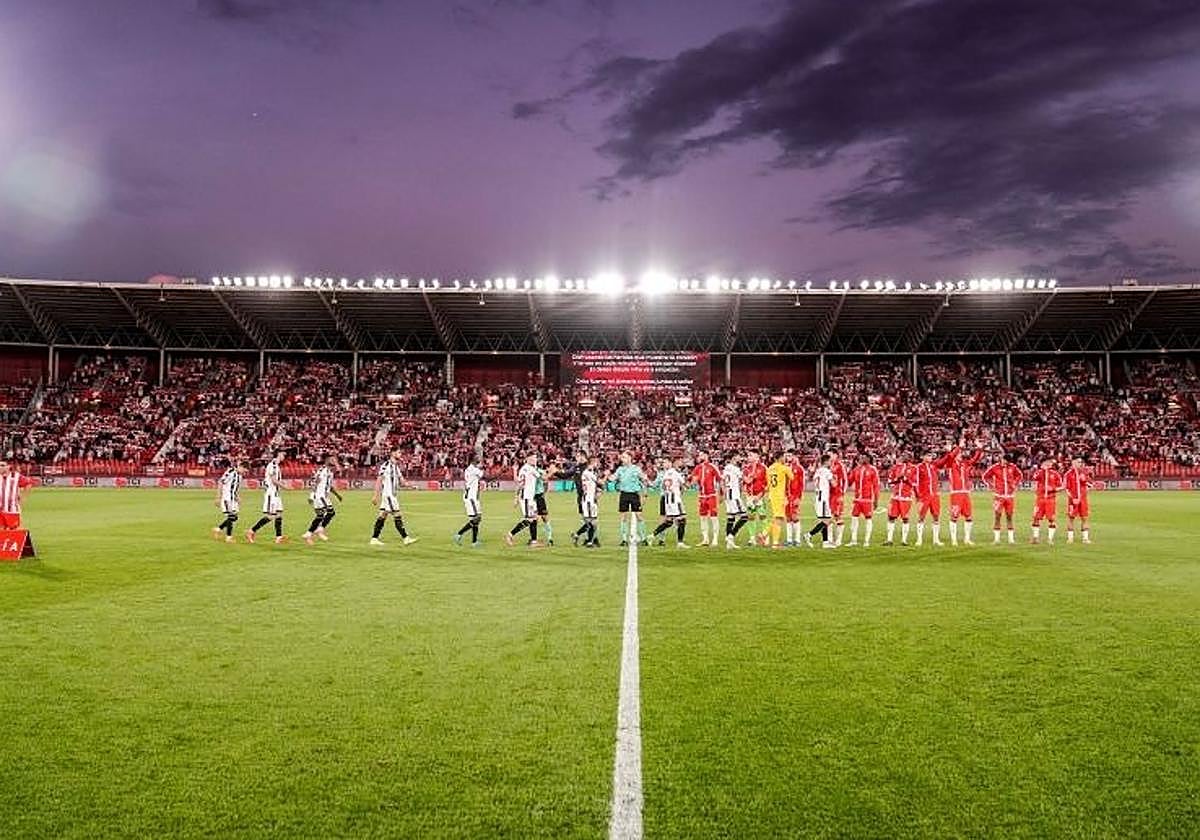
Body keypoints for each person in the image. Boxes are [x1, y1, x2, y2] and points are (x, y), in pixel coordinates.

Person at [371, 448, 417, 546]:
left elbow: (402, 482)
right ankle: (406, 538)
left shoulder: (396, 467)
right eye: (399, 452)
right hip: (389, 495)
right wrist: (375, 495)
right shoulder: (386, 466)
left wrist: (411, 486)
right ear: (393, 453)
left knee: (382, 515)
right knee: (397, 515)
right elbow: (379, 480)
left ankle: (374, 538)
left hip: (391, 495)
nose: (400, 454)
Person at [944, 444, 983, 546]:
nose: (960, 454)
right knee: (954, 517)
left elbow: (975, 459)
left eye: (960, 453)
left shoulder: (965, 464)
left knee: (969, 517)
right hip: (956, 493)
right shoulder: (950, 464)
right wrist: (958, 447)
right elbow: (949, 457)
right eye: (958, 453)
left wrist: (979, 448)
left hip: (966, 493)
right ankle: (954, 540)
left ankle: (967, 538)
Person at [982, 452, 1023, 544]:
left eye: (1008, 461)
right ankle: (996, 539)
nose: (1006, 462)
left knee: (1009, 517)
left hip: (1010, 496)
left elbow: (1020, 475)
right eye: (1005, 460)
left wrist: (1015, 484)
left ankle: (1011, 539)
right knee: (997, 516)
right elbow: (985, 476)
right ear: (1002, 459)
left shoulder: (1012, 467)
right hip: (998, 496)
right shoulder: (995, 467)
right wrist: (991, 485)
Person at [609, 450, 648, 547]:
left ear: (630, 458)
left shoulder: (636, 469)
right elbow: (612, 479)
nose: (623, 459)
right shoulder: (620, 469)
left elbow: (644, 480)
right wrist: (608, 473)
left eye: (625, 457)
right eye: (622, 457)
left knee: (639, 516)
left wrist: (645, 493)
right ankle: (624, 539)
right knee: (623, 517)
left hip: (634, 495)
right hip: (624, 495)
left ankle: (643, 538)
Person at [247, 451, 286, 544]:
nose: (284, 456)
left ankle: (279, 537)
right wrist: (284, 486)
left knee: (279, 515)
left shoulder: (276, 466)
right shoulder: (272, 465)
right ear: (278, 455)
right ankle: (251, 531)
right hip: (271, 494)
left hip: (276, 494)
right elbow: (273, 480)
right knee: (270, 516)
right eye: (282, 454)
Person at [914, 449, 952, 547]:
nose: (929, 457)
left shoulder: (934, 465)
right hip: (924, 496)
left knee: (936, 516)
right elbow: (915, 483)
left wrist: (948, 452)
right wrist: (918, 497)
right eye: (927, 455)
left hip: (935, 495)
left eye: (930, 456)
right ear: (922, 457)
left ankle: (936, 539)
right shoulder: (918, 467)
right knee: (921, 517)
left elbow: (944, 460)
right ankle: (919, 540)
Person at [302, 456, 342, 545]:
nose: (334, 461)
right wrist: (311, 495)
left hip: (324, 496)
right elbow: (316, 482)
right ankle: (318, 530)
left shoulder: (330, 472)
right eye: (332, 459)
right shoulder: (322, 470)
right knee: (329, 513)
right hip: (320, 496)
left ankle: (309, 533)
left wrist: (337, 495)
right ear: (327, 461)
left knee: (320, 516)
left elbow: (330, 486)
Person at [651, 458, 689, 548]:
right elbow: (684, 485)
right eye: (664, 462)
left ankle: (652, 536)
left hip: (667, 500)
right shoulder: (675, 473)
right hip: (675, 500)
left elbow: (663, 487)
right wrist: (683, 490)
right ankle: (680, 542)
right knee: (682, 520)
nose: (664, 464)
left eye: (665, 462)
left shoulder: (665, 475)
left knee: (669, 521)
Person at [506, 453, 542, 547]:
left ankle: (534, 541)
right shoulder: (528, 469)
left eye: (536, 458)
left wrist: (516, 497)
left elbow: (519, 483)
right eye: (534, 458)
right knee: (529, 519)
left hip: (530, 497)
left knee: (535, 518)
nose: (535, 460)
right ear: (528, 459)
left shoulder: (526, 468)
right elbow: (542, 477)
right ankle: (510, 534)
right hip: (526, 498)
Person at [883, 453, 918, 546]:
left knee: (905, 518)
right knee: (891, 517)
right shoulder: (896, 467)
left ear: (910, 458)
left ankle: (904, 540)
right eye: (902, 455)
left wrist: (906, 479)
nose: (903, 457)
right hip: (895, 496)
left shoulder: (914, 468)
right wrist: (897, 478)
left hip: (906, 497)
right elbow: (890, 481)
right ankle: (889, 540)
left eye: (906, 456)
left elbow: (915, 483)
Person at [688, 451, 722, 547]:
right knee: (703, 518)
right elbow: (693, 481)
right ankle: (705, 539)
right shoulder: (698, 468)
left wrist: (722, 494)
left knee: (714, 517)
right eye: (699, 455)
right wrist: (692, 480)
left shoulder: (712, 467)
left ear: (706, 456)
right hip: (702, 496)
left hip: (712, 495)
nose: (699, 457)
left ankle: (715, 539)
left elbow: (720, 480)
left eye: (701, 455)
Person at [846, 453, 880, 547]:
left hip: (867, 499)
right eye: (861, 457)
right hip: (857, 499)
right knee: (854, 518)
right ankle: (853, 540)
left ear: (868, 459)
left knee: (868, 519)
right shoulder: (856, 469)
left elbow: (876, 486)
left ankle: (866, 541)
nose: (861, 458)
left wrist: (876, 500)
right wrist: (849, 470)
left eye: (864, 457)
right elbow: (849, 482)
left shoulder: (873, 470)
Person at [806, 453, 835, 548]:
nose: (831, 463)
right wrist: (835, 477)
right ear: (826, 462)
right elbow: (834, 484)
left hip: (818, 497)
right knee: (827, 520)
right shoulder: (827, 471)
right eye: (830, 461)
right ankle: (809, 535)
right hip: (823, 498)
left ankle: (825, 542)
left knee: (825, 519)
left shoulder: (818, 471)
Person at [1031, 457, 1063, 544]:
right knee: (1036, 518)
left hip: (1050, 499)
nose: (1048, 464)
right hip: (1040, 499)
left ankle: (1050, 539)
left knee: (1051, 519)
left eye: (1049, 463)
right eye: (1046, 463)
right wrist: (1042, 471)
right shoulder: (1039, 472)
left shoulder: (1055, 474)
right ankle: (1035, 538)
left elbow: (1061, 487)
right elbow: (1034, 479)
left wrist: (1052, 489)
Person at [765, 452, 793, 549]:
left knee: (777, 517)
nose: (785, 459)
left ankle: (771, 540)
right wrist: (788, 466)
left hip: (772, 495)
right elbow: (792, 477)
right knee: (779, 518)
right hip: (779, 495)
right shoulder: (783, 467)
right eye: (784, 457)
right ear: (780, 458)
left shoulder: (769, 468)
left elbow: (768, 484)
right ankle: (767, 537)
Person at [454, 456, 484, 546]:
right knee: (476, 518)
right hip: (472, 498)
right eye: (478, 459)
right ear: (474, 461)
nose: (480, 461)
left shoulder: (469, 469)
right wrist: (501, 472)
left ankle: (474, 541)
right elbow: (485, 476)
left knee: (476, 519)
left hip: (472, 497)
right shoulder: (474, 469)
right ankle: (459, 534)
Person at [721, 454, 749, 549]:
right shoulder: (736, 469)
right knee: (744, 517)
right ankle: (731, 536)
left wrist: (724, 493)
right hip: (735, 495)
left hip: (728, 496)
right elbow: (746, 481)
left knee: (731, 518)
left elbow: (722, 481)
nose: (740, 458)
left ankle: (729, 543)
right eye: (738, 456)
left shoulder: (726, 468)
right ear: (734, 458)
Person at [1063, 456, 1093, 544]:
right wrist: (1073, 498)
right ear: (1073, 462)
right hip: (1073, 501)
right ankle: (1070, 538)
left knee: (1084, 518)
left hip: (1083, 500)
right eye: (1078, 462)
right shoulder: (1068, 474)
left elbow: (1090, 484)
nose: (1080, 464)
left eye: (1081, 462)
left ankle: (1085, 538)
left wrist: (1085, 491)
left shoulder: (1084, 473)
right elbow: (1066, 488)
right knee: (1071, 518)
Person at [741, 450, 768, 546]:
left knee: (762, 516)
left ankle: (765, 536)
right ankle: (752, 538)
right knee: (751, 517)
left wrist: (760, 495)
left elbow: (767, 484)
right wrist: (746, 494)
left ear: (757, 456)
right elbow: (744, 483)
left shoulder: (763, 468)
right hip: (750, 497)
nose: (748, 457)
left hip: (759, 496)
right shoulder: (746, 468)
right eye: (748, 455)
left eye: (751, 455)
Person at [575, 457, 601, 548]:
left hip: (591, 500)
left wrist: (598, 492)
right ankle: (588, 541)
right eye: (596, 462)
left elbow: (596, 486)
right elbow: (600, 482)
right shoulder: (588, 473)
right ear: (592, 463)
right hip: (588, 501)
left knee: (592, 522)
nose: (597, 464)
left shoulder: (590, 473)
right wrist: (607, 475)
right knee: (591, 522)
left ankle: (578, 535)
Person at [0, 458, 33, 530]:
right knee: (1, 531)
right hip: (0, 510)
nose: (0, 467)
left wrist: (23, 498)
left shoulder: (16, 476)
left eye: (3, 465)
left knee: (14, 530)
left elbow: (29, 483)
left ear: (8, 466)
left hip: (12, 509)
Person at [784, 450, 805, 547]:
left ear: (794, 456)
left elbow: (801, 484)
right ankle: (789, 539)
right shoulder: (785, 467)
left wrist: (799, 497)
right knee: (788, 518)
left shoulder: (799, 468)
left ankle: (797, 540)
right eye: (786, 455)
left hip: (795, 496)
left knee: (795, 517)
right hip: (786, 496)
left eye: (789, 455)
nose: (787, 457)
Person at [828, 449, 849, 547]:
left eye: (830, 454)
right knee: (828, 517)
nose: (829, 456)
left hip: (837, 495)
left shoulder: (840, 465)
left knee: (837, 516)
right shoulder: (828, 466)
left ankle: (839, 540)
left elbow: (845, 480)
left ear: (836, 455)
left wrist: (842, 494)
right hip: (829, 495)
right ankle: (830, 539)